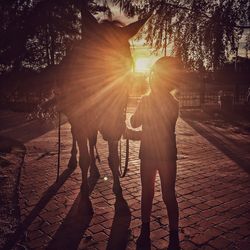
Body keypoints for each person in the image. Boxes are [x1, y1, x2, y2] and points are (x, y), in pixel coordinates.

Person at [130, 56, 183, 250]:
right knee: (169, 193)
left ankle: (145, 229)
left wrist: (139, 110)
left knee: (147, 191)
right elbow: (163, 128)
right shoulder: (173, 103)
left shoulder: (146, 101)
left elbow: (135, 122)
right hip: (168, 153)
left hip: (149, 153)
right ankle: (174, 233)